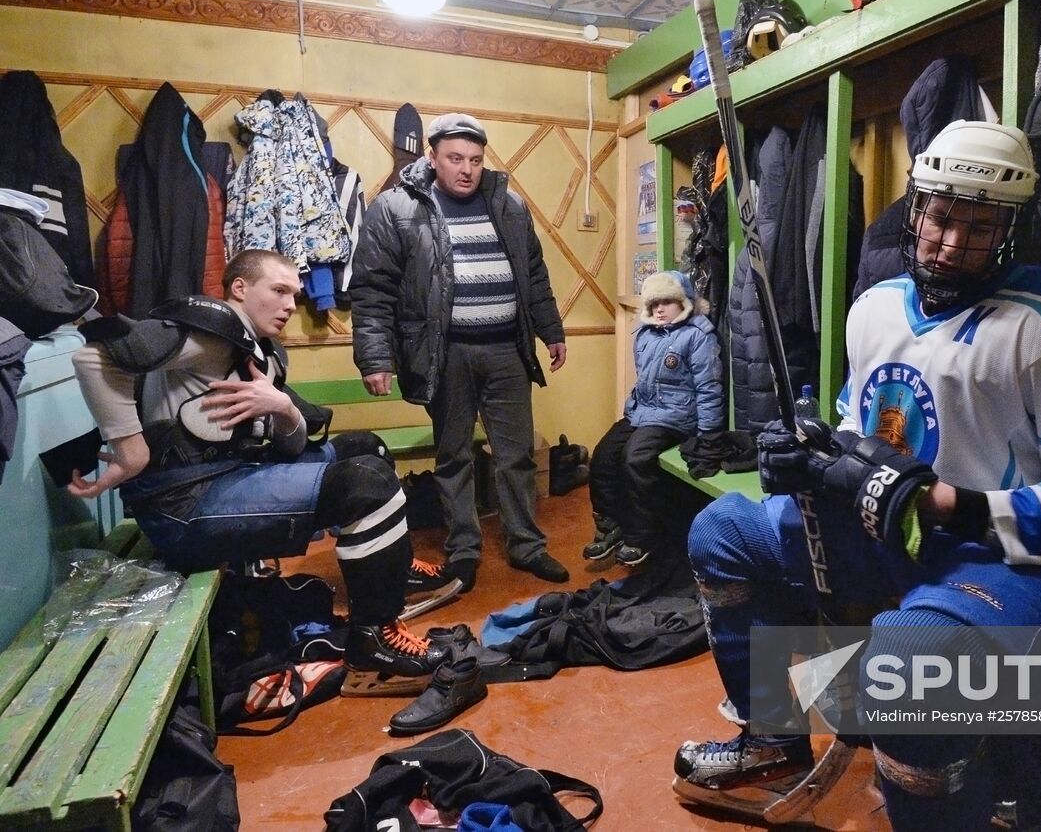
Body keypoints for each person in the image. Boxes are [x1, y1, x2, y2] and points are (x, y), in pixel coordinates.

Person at [670, 121, 1041, 828]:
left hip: (1012, 566)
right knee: (723, 529)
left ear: (1012, 227)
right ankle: (772, 738)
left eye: (978, 227)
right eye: (939, 217)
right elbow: (865, 430)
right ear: (916, 207)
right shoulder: (877, 307)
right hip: (895, 543)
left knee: (903, 668)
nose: (949, 242)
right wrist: (810, 458)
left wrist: (955, 505)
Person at [67, 249, 458, 696]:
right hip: (183, 506)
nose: (291, 305)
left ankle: (391, 567)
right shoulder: (209, 335)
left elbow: (292, 445)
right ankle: (373, 640)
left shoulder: (260, 352)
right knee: (364, 484)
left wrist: (281, 405)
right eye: (278, 291)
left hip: (230, 476)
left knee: (365, 448)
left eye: (294, 293)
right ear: (239, 288)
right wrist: (130, 448)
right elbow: (95, 360)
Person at [351, 113, 570, 592]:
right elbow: (372, 289)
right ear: (432, 157)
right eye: (455, 158)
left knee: (516, 456)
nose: (466, 169)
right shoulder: (394, 208)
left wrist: (551, 330)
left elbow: (534, 274)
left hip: (506, 351)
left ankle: (526, 546)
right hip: (444, 355)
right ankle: (464, 550)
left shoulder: (509, 205)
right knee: (454, 457)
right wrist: (375, 356)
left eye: (474, 159)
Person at [584, 269, 724, 566]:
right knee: (603, 456)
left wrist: (709, 435)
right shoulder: (645, 334)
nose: (659, 309)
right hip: (641, 411)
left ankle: (642, 534)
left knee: (635, 459)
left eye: (667, 302)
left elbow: (709, 387)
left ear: (684, 302)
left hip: (675, 416)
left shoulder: (698, 336)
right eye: (653, 303)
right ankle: (611, 525)